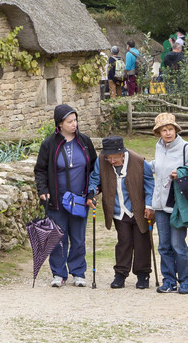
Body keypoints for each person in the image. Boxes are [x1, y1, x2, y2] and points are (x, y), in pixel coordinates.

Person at [34, 104, 98, 287]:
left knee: (78, 237)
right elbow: (40, 170)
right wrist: (43, 190)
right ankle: (59, 274)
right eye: (70, 121)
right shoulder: (49, 144)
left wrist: (92, 191)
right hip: (57, 199)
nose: (74, 124)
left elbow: (94, 168)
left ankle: (78, 272)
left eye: (75, 120)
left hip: (79, 199)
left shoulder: (84, 142)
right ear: (60, 123)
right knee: (57, 237)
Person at [88, 136, 155, 288]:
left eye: (114, 158)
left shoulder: (140, 162)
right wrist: (91, 192)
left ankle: (143, 275)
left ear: (123, 154)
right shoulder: (101, 161)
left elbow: (150, 185)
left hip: (139, 209)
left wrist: (150, 206)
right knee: (124, 242)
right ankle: (120, 275)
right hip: (118, 210)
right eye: (108, 157)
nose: (111, 161)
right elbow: (94, 179)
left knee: (142, 243)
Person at [149, 111, 188, 294]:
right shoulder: (159, 147)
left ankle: (185, 280)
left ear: (176, 129)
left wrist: (182, 173)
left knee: (178, 244)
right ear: (159, 132)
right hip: (161, 204)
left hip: (179, 204)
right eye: (164, 130)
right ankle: (169, 281)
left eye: (170, 129)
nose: (168, 133)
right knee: (164, 245)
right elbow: (158, 167)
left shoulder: (186, 147)